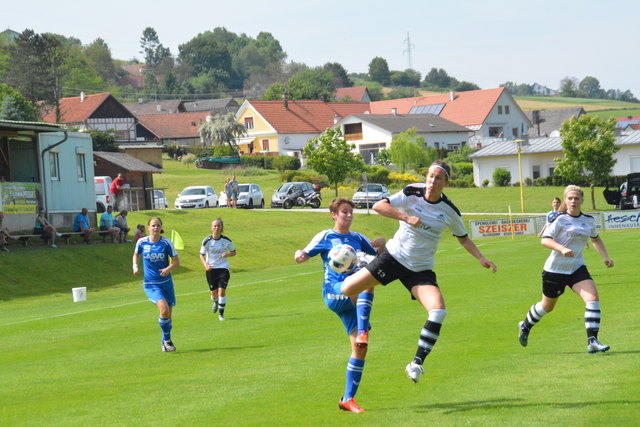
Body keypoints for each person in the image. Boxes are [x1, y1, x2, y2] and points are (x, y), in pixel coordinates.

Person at [341, 160, 497, 384]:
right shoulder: (412, 191)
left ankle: (416, 363)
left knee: (438, 311)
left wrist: (481, 258)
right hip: (393, 258)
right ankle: (363, 277)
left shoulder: (450, 211)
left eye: (438, 178)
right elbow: (378, 206)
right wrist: (405, 217)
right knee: (347, 289)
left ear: (446, 182)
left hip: (420, 269)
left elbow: (463, 238)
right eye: (430, 176)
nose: (432, 181)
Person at [295, 197, 385, 413]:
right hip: (334, 292)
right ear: (334, 214)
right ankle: (363, 329)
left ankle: (347, 399)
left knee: (360, 349)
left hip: (353, 302)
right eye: (344, 211)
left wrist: (382, 247)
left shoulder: (358, 239)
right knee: (367, 282)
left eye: (351, 212)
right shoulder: (326, 236)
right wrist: (299, 254)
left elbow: (380, 258)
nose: (349, 215)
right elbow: (304, 254)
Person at [518, 185, 614, 353]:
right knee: (547, 307)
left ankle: (592, 340)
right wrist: (561, 248)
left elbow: (596, 239)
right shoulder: (559, 219)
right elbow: (545, 240)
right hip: (555, 271)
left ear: (582, 200)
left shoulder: (589, 220)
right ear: (565, 201)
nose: (573, 201)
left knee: (592, 298)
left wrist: (605, 256)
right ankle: (525, 325)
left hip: (576, 268)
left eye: (576, 198)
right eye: (570, 198)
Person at [133, 217, 180, 352]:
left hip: (166, 283)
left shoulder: (166, 243)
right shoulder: (142, 242)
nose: (155, 228)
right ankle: (167, 340)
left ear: (161, 228)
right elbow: (136, 255)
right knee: (163, 309)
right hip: (151, 284)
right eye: (153, 226)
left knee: (168, 316)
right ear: (148, 228)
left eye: (158, 226)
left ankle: (164, 343)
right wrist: (135, 267)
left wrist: (168, 269)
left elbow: (176, 261)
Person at [199, 218, 236, 321]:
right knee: (214, 294)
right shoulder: (207, 241)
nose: (216, 228)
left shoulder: (226, 240)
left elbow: (234, 252)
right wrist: (205, 265)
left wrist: (227, 254)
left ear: (221, 228)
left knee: (221, 292)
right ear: (211, 228)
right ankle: (215, 301)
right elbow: (201, 254)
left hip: (223, 268)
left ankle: (221, 315)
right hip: (211, 270)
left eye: (218, 226)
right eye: (214, 226)